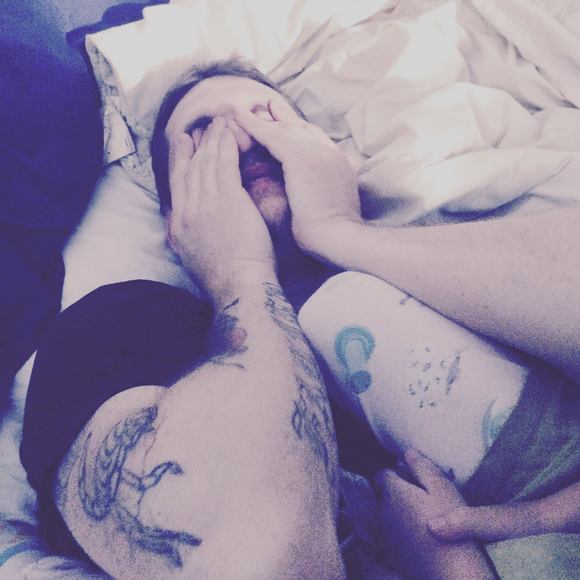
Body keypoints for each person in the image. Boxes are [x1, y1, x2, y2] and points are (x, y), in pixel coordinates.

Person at [21, 58, 579, 578]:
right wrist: (240, 273)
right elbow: (253, 561)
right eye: (204, 135)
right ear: (173, 215)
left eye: (266, 115)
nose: (244, 138)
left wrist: (339, 231)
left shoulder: (444, 256)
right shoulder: (117, 329)